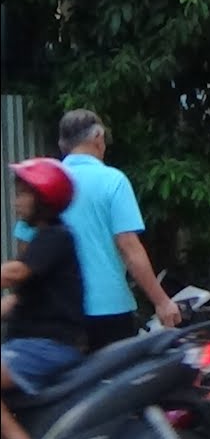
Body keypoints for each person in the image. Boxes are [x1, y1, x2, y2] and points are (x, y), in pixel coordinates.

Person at [13, 110, 179, 351]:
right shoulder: (113, 181)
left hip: (56, 316)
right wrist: (162, 302)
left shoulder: (46, 184)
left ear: (62, 143)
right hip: (109, 311)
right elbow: (129, 249)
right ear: (98, 137)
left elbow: (25, 254)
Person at [1, 158, 86, 439]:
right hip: (31, 346)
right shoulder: (43, 241)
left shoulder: (55, 237)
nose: (16, 201)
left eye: (23, 194)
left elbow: (14, 274)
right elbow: (13, 303)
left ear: (43, 197)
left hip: (48, 347)